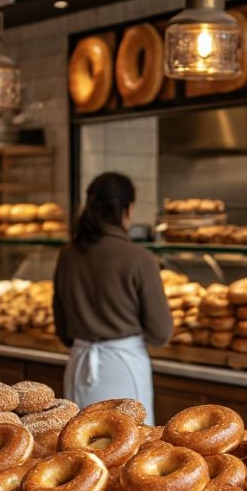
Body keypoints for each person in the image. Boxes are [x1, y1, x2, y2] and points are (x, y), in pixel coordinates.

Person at [53, 173, 172, 422]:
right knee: (129, 448)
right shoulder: (140, 258)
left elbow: (63, 330)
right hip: (124, 367)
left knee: (79, 448)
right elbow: (161, 332)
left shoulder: (68, 255)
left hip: (80, 365)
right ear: (127, 209)